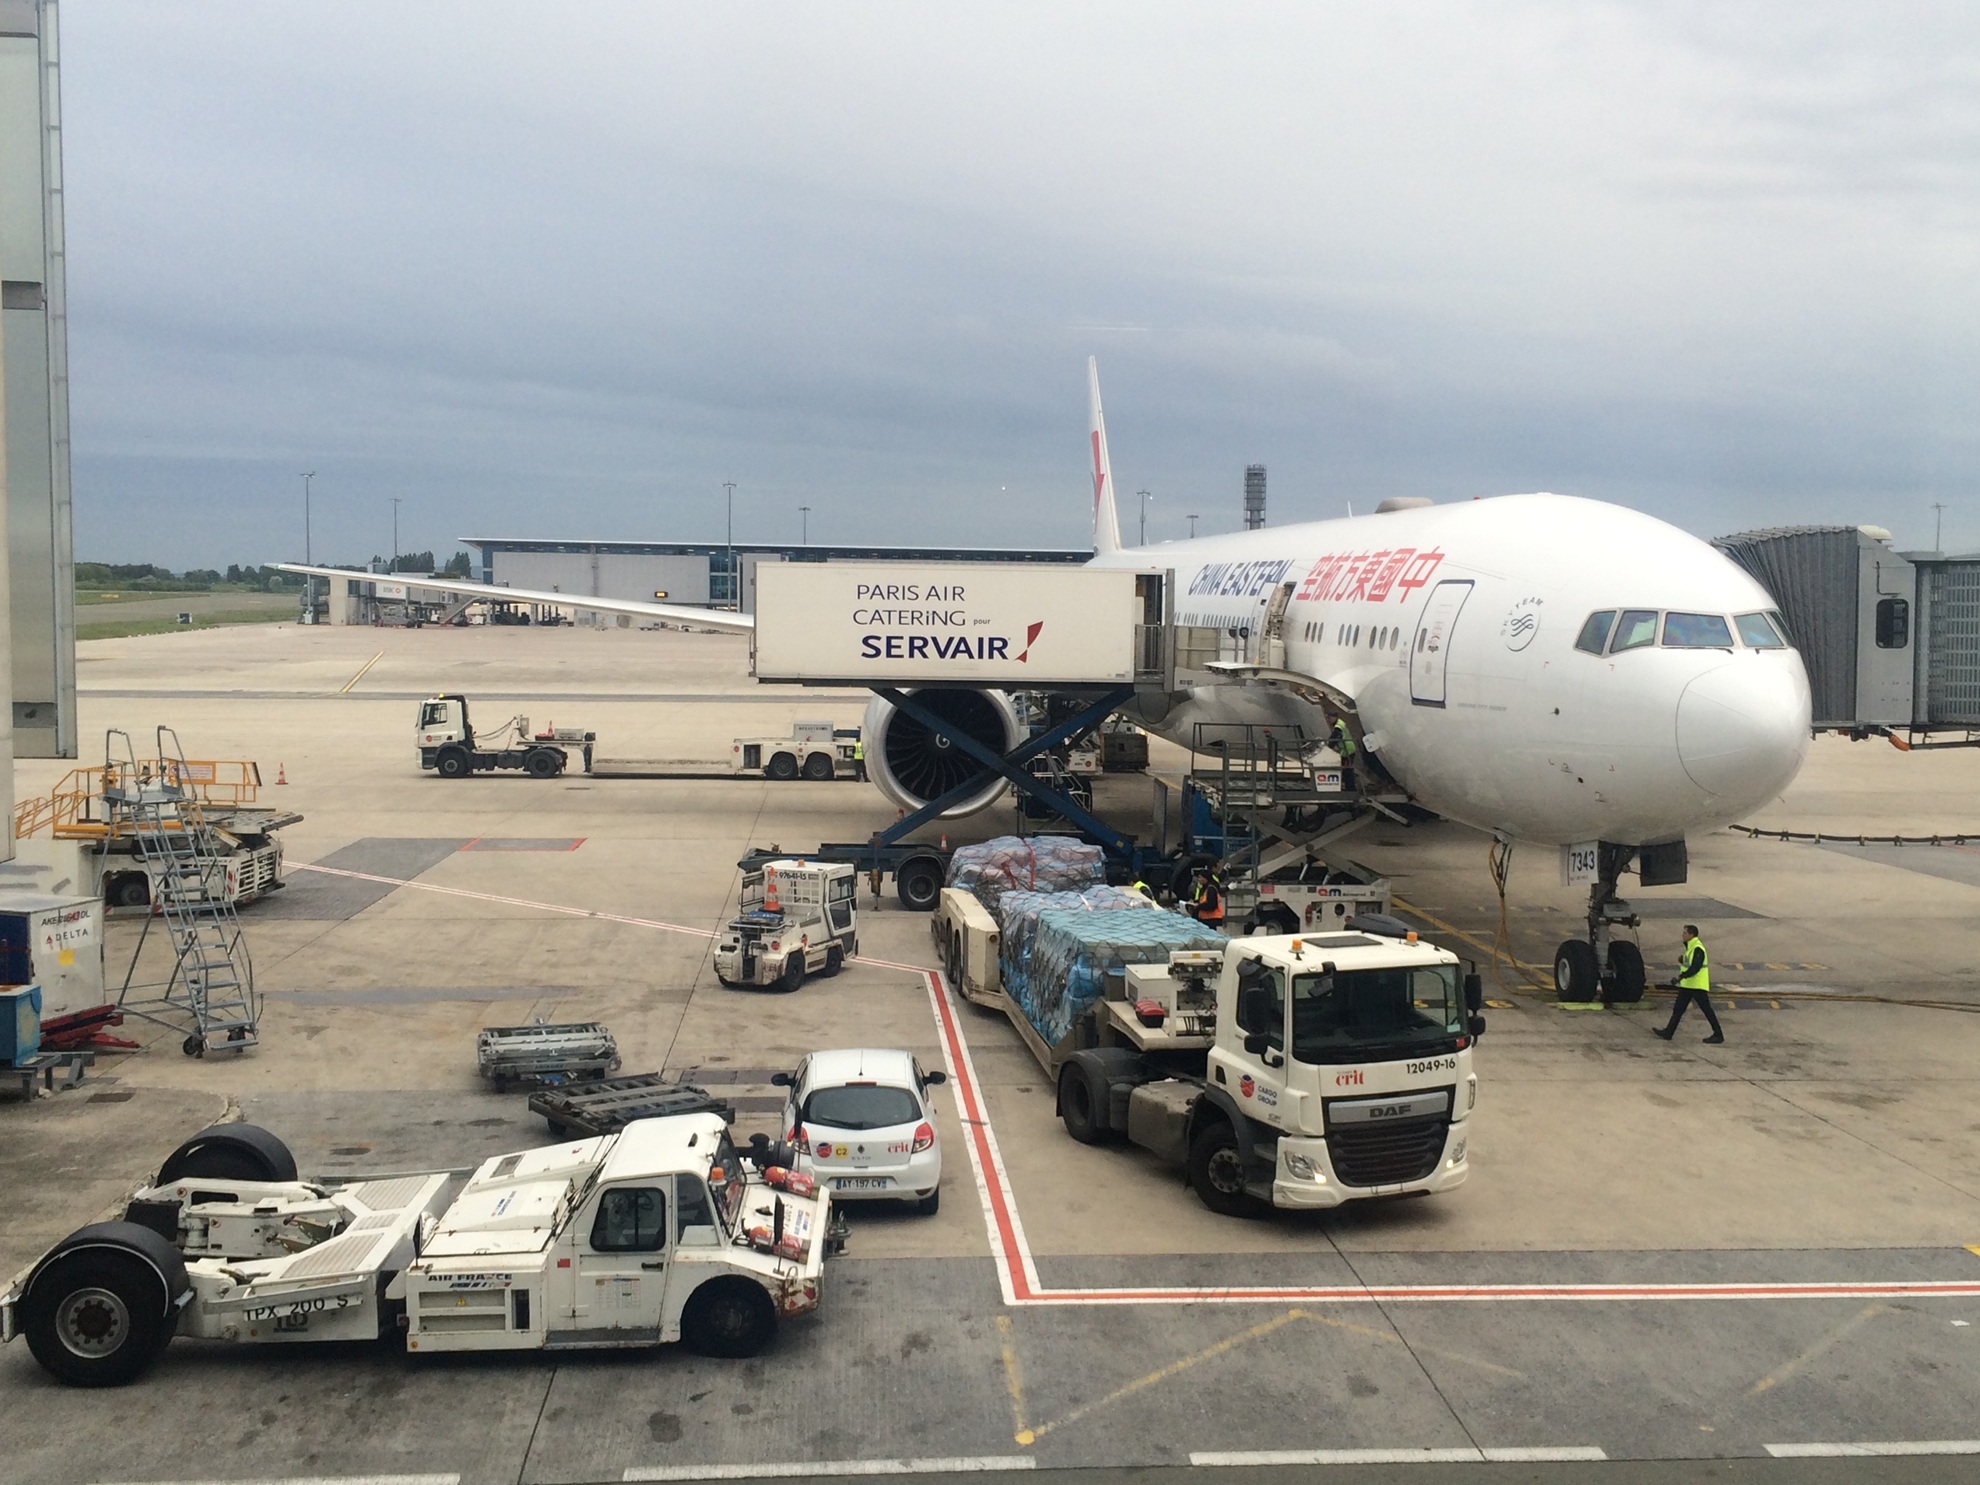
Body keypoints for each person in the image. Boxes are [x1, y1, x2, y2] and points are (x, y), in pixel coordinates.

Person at [1655, 923, 1723, 1044]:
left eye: (1685, 933)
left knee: (1707, 1010)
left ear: (1691, 934)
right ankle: (1668, 1032)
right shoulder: (1691, 947)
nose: (1683, 935)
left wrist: (1680, 977)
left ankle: (1718, 1035)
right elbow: (1690, 963)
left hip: (1697, 986)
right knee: (1678, 1009)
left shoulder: (1697, 948)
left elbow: (1695, 968)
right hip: (1688, 985)